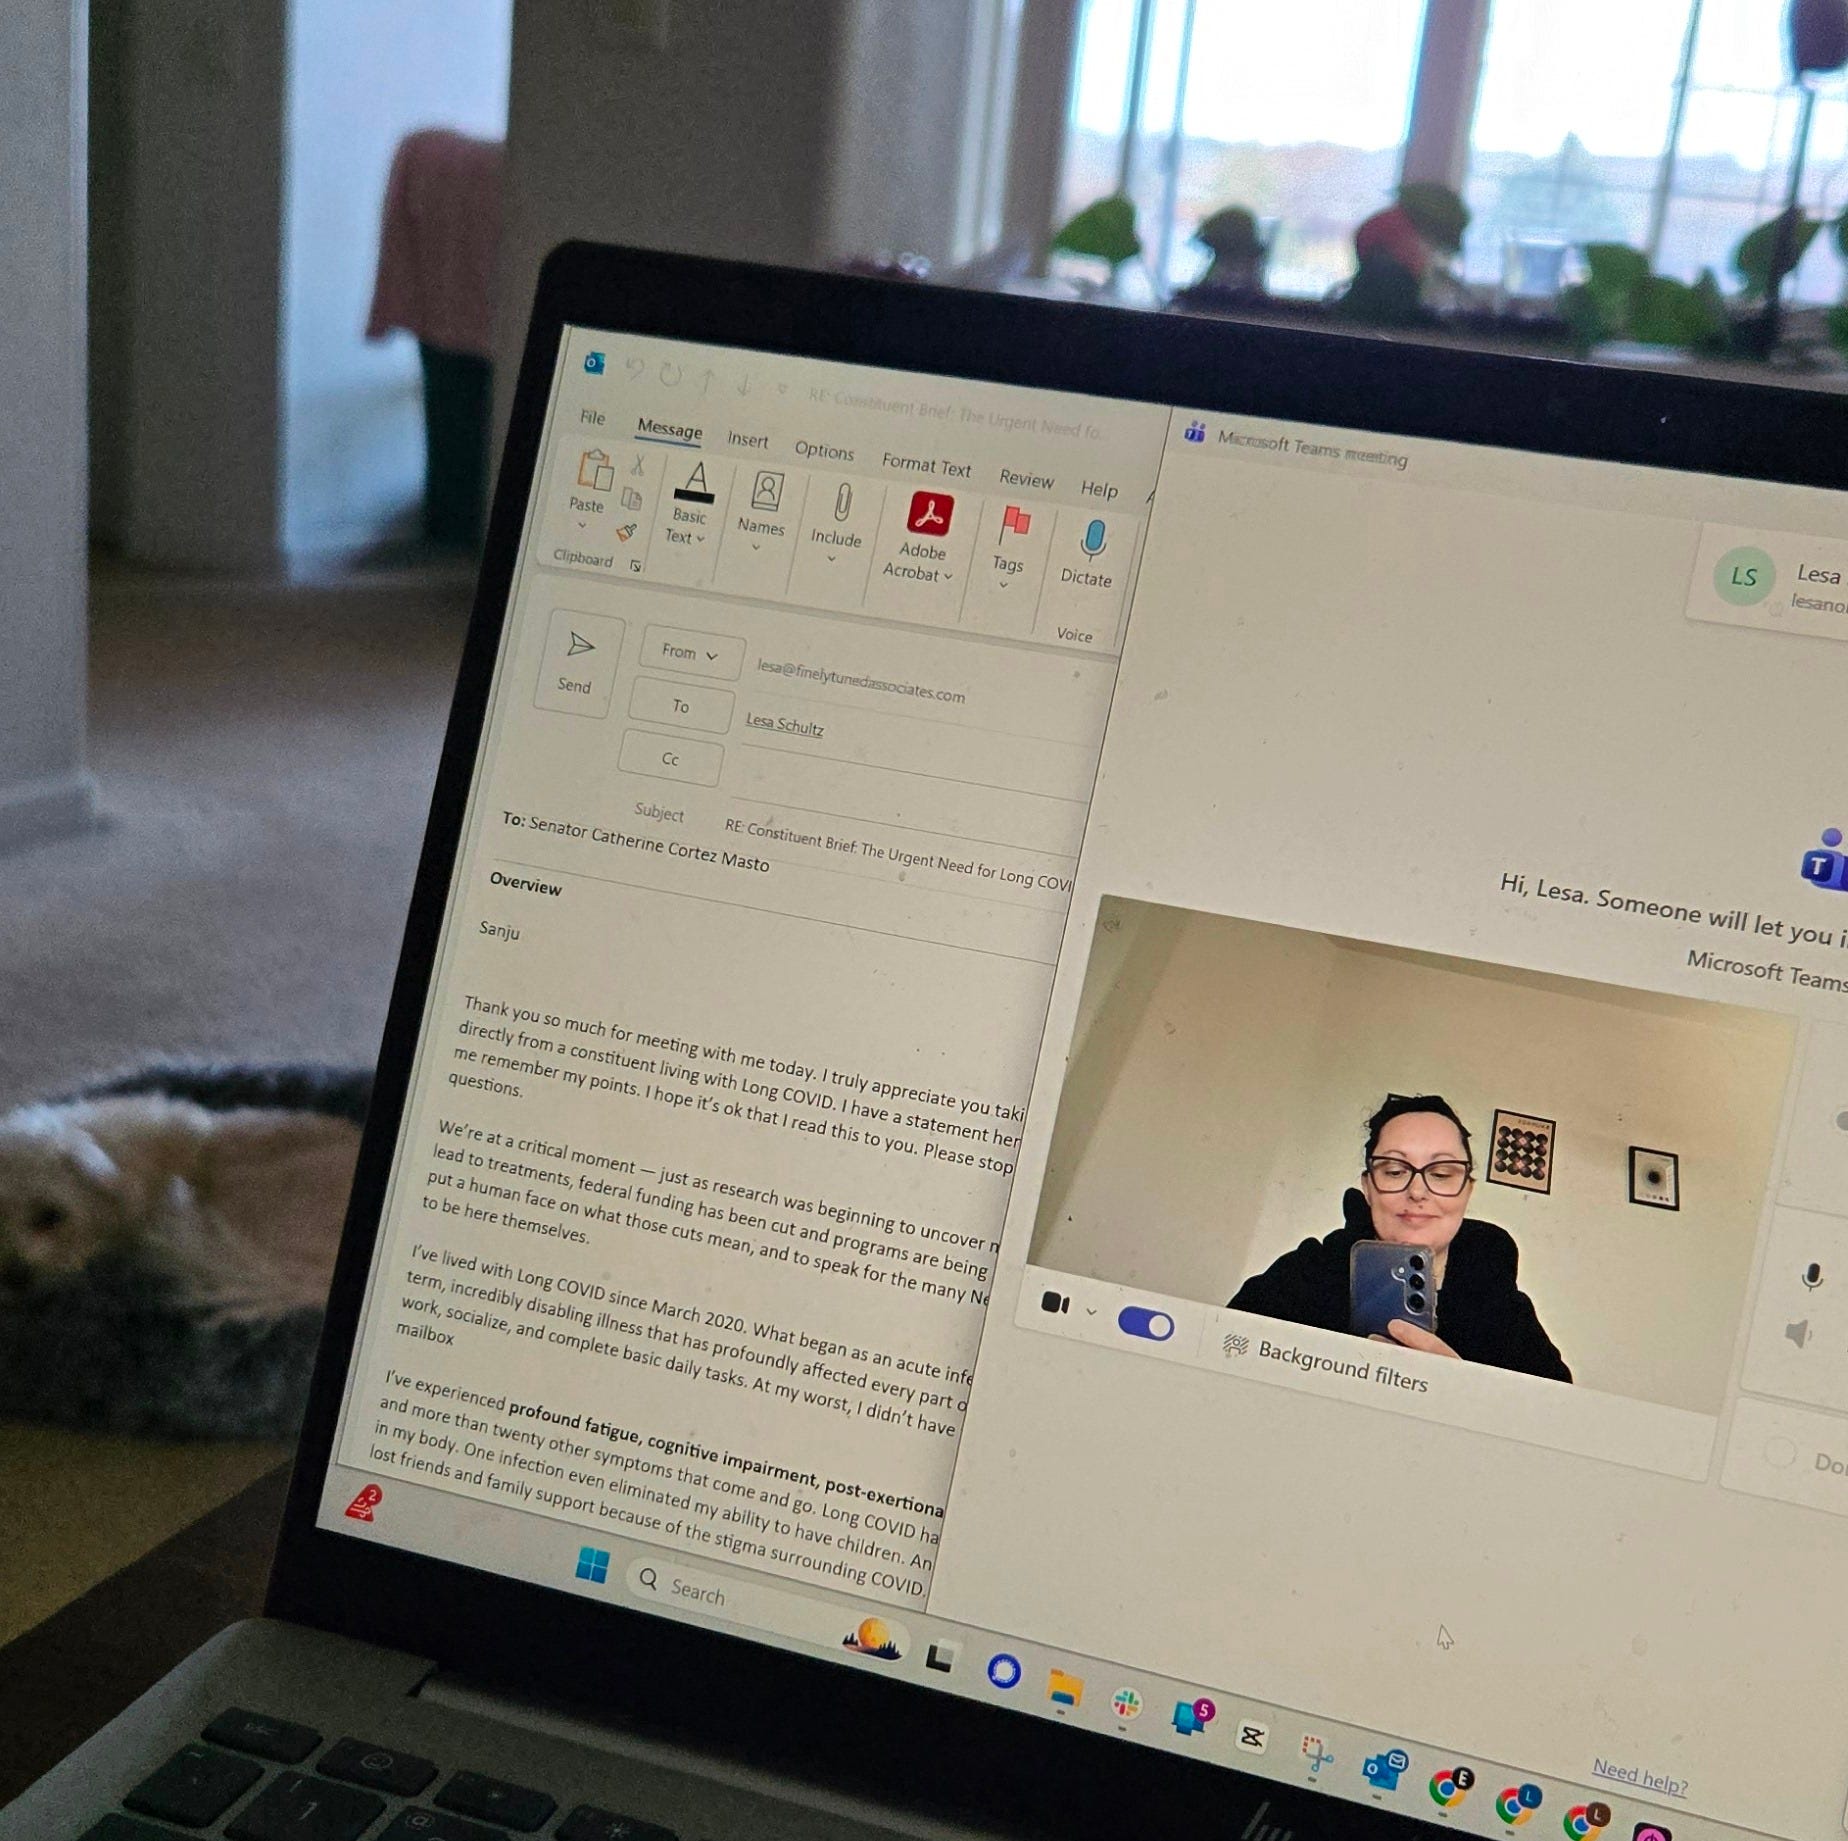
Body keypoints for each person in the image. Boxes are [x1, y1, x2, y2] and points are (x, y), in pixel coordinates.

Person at [1229, 1094, 1570, 1381]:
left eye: (1441, 1174)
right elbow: (1225, 1358)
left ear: (1467, 1192)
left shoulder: (1504, 1310)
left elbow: (1556, 1421)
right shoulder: (1305, 1275)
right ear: (1368, 1188)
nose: (1418, 1191)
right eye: (1394, 1171)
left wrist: (1462, 1391)